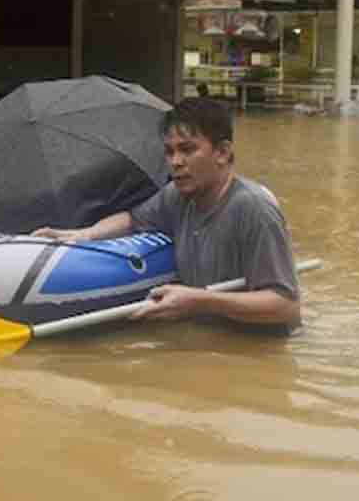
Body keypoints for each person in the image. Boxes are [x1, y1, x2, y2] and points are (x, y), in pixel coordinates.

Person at [32, 97, 301, 330]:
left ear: (222, 153)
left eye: (187, 149)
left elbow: (284, 305)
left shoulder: (253, 209)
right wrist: (82, 234)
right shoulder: (178, 196)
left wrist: (200, 301)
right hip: (208, 340)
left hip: (256, 351)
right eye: (169, 151)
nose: (175, 162)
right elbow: (132, 220)